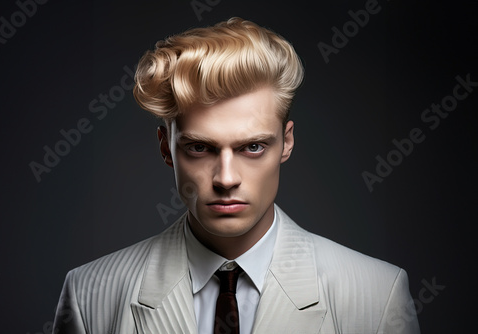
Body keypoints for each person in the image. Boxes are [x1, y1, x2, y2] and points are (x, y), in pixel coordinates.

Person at [53, 17, 420, 334]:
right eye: (200, 148)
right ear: (166, 147)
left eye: (253, 147)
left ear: (286, 143)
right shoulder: (89, 295)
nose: (226, 178)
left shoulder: (377, 294)